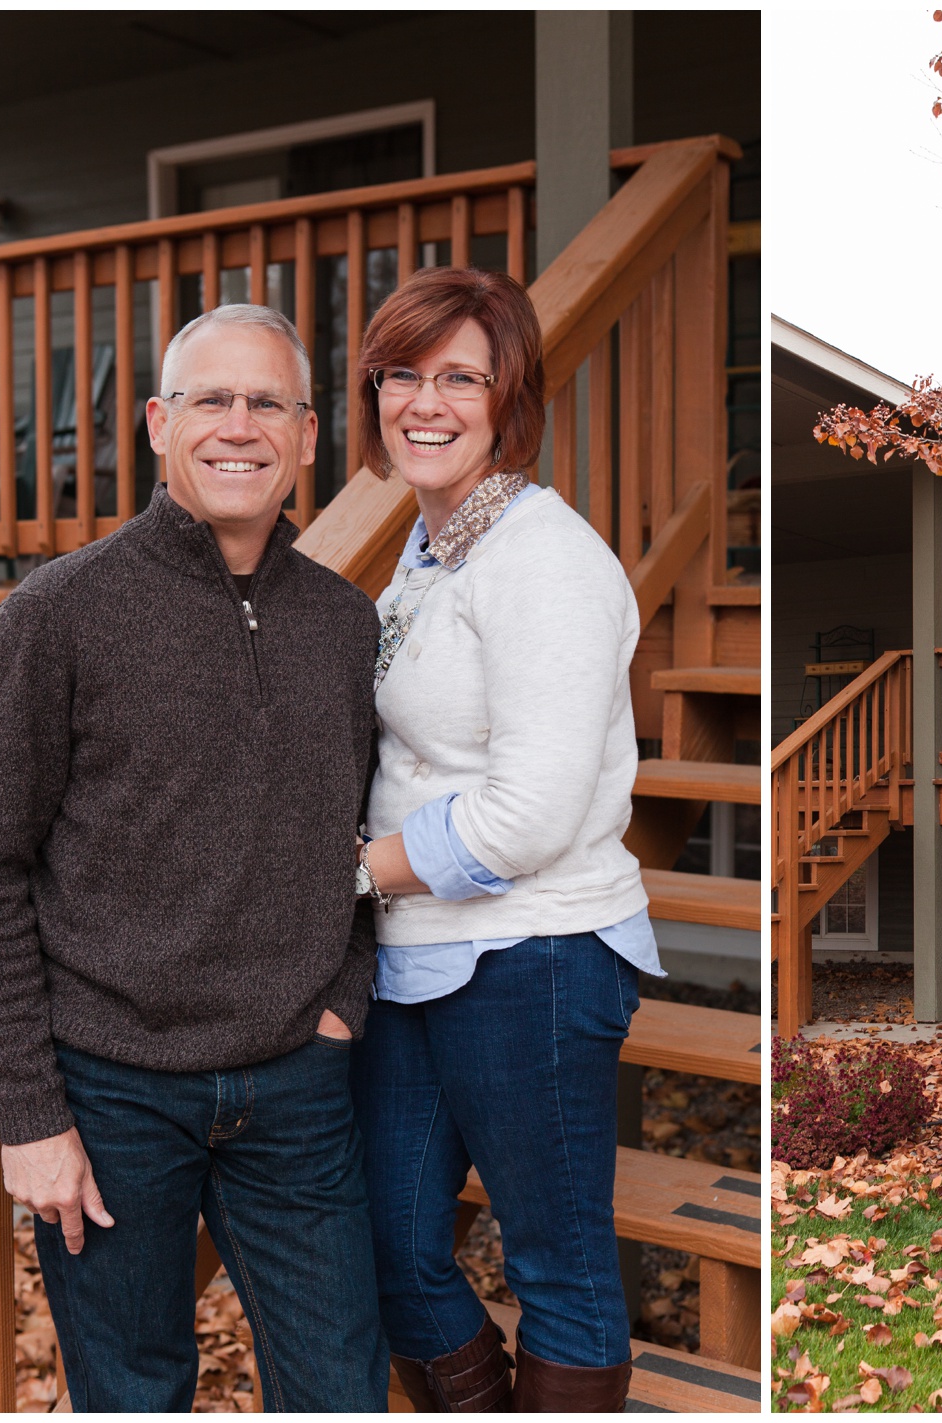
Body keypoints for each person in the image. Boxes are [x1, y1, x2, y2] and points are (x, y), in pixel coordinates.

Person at [0, 304, 388, 1410]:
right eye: (210, 399)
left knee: (338, 1385)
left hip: (297, 1082)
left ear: (307, 434)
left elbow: (362, 828)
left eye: (266, 404)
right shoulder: (57, 614)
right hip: (110, 1093)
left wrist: (342, 1000)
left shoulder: (342, 624)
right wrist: (34, 1113)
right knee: (134, 1390)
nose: (238, 426)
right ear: (158, 421)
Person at [347, 266, 657, 1411]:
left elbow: (527, 812)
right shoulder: (429, 554)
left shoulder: (544, 559)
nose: (426, 402)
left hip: (535, 953)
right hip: (417, 957)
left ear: (507, 399)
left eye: (460, 377)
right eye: (402, 375)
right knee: (390, 1242)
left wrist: (350, 874)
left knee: (556, 1269)